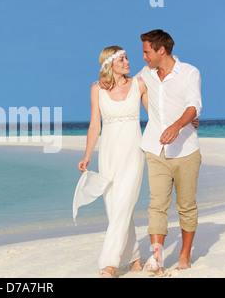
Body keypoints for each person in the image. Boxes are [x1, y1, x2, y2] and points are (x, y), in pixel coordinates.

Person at [78, 46, 147, 278]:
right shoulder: (96, 89)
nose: (128, 61)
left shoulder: (139, 84)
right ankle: (135, 258)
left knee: (124, 203)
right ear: (109, 64)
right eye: (122, 59)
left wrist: (184, 123)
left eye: (126, 57)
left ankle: (110, 265)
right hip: (108, 152)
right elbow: (95, 125)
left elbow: (156, 116)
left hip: (133, 151)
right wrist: (87, 155)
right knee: (115, 208)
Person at [137, 29, 202, 275]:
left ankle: (185, 255)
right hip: (155, 148)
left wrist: (178, 125)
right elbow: (131, 88)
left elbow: (193, 105)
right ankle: (157, 258)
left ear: (160, 50)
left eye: (146, 52)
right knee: (157, 205)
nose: (144, 57)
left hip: (185, 150)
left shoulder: (189, 72)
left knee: (186, 205)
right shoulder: (146, 74)